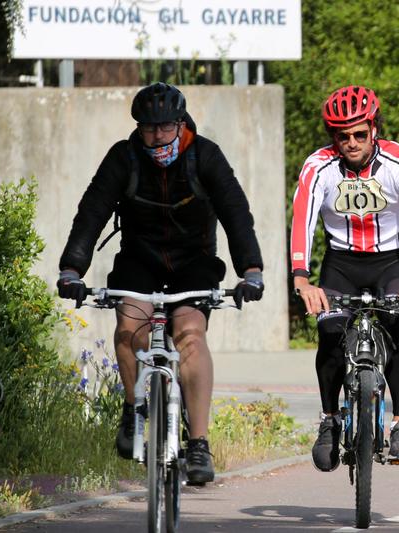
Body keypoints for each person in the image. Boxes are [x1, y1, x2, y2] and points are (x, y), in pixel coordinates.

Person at [57, 82, 264, 483]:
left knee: (190, 335)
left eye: (165, 127)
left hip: (194, 263)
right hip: (140, 260)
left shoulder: (205, 156)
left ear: (180, 122)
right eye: (147, 128)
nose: (156, 136)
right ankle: (134, 410)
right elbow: (92, 211)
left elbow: (236, 213)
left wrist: (250, 271)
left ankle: (200, 444)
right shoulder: (124, 157)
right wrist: (72, 269)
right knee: (128, 327)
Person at [290, 85, 399, 471]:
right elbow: (302, 219)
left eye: (359, 133)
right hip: (341, 263)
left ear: (374, 129)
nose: (351, 143)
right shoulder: (318, 166)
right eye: (342, 136)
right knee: (331, 332)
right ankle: (329, 419)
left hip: (391, 262)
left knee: (397, 326)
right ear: (332, 137)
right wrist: (302, 279)